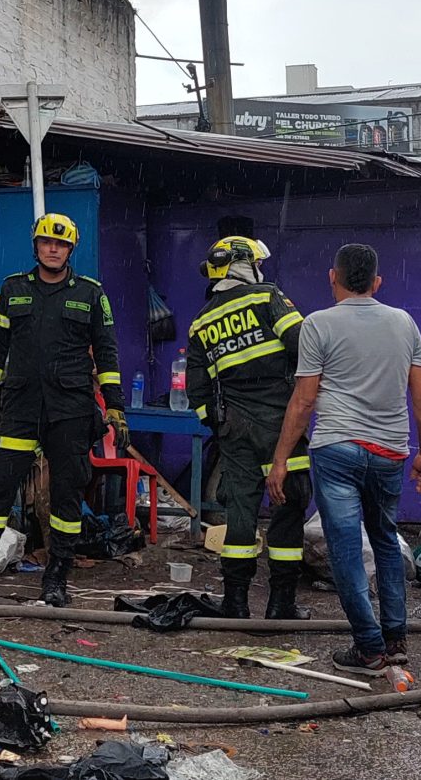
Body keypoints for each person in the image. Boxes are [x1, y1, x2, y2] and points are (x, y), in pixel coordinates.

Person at [0, 213, 125, 607]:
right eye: (46, 242)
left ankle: (56, 581)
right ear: (36, 246)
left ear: (71, 249)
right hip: (20, 409)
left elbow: (107, 353)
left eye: (61, 244)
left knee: (66, 498)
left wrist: (115, 407)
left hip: (70, 411)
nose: (53, 249)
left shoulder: (91, 294)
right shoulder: (13, 289)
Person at [273, 243, 421, 672]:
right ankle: (395, 638)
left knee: (346, 548)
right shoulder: (403, 323)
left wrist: (281, 459)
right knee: (385, 539)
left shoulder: (317, 324)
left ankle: (368, 646)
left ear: (334, 277)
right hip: (389, 452)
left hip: (337, 449)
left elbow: (303, 401)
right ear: (377, 282)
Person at [185, 235, 309, 620]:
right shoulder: (267, 296)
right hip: (281, 423)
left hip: (234, 428)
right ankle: (281, 603)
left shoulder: (201, 321)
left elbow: (196, 391)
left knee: (239, 511)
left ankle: (235, 602)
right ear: (244, 264)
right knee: (289, 504)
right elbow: (303, 344)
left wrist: (218, 424)